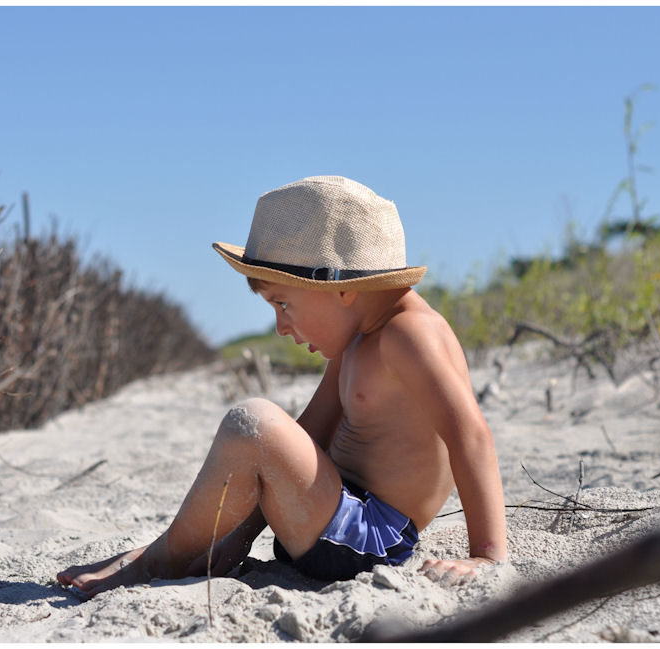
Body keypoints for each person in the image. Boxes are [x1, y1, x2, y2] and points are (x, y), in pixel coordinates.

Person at [57, 175, 507, 598]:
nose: (280, 327)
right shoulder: (357, 341)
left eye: (283, 303)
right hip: (331, 518)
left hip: (370, 537)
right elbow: (309, 434)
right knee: (260, 432)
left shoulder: (411, 335)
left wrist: (486, 556)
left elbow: (470, 435)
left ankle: (161, 559)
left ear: (341, 287)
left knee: (253, 422)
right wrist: (241, 533)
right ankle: (187, 549)